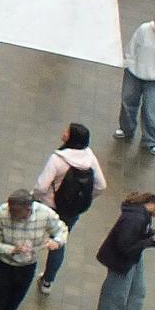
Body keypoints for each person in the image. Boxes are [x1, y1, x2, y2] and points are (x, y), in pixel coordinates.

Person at [33, 123, 107, 292]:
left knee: (31, 232)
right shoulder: (89, 157)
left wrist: (36, 198)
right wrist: (84, 199)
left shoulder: (58, 159)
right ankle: (47, 282)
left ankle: (21, 263)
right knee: (59, 242)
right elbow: (101, 185)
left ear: (71, 137)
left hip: (49, 207)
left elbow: (41, 187)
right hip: (70, 211)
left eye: (67, 131)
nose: (64, 132)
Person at [93, 191, 155, 310]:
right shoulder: (135, 218)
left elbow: (141, 233)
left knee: (137, 290)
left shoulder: (143, 213)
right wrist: (151, 242)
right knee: (117, 294)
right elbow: (125, 246)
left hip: (132, 257)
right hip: (121, 260)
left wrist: (151, 236)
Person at [117, 9, 155, 154]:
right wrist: (129, 65)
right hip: (134, 74)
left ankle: (150, 141)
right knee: (128, 102)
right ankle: (127, 130)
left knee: (150, 109)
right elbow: (132, 47)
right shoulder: (144, 29)